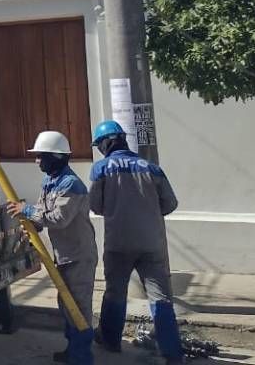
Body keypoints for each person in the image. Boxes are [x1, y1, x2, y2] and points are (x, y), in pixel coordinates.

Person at [89, 120, 183, 364]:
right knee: (161, 299)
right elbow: (170, 204)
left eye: (100, 144)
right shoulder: (152, 168)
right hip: (152, 243)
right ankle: (172, 353)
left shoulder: (101, 169)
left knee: (115, 293)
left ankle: (110, 341)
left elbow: (95, 206)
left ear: (107, 142)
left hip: (119, 243)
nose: (100, 148)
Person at [7, 130, 98, 365]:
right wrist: (28, 224)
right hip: (63, 255)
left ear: (56, 157)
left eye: (40, 156)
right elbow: (42, 214)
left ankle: (82, 357)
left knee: (77, 307)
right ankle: (73, 352)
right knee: (66, 306)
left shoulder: (71, 185)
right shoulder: (50, 182)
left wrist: (27, 211)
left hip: (78, 256)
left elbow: (59, 218)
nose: (37, 161)